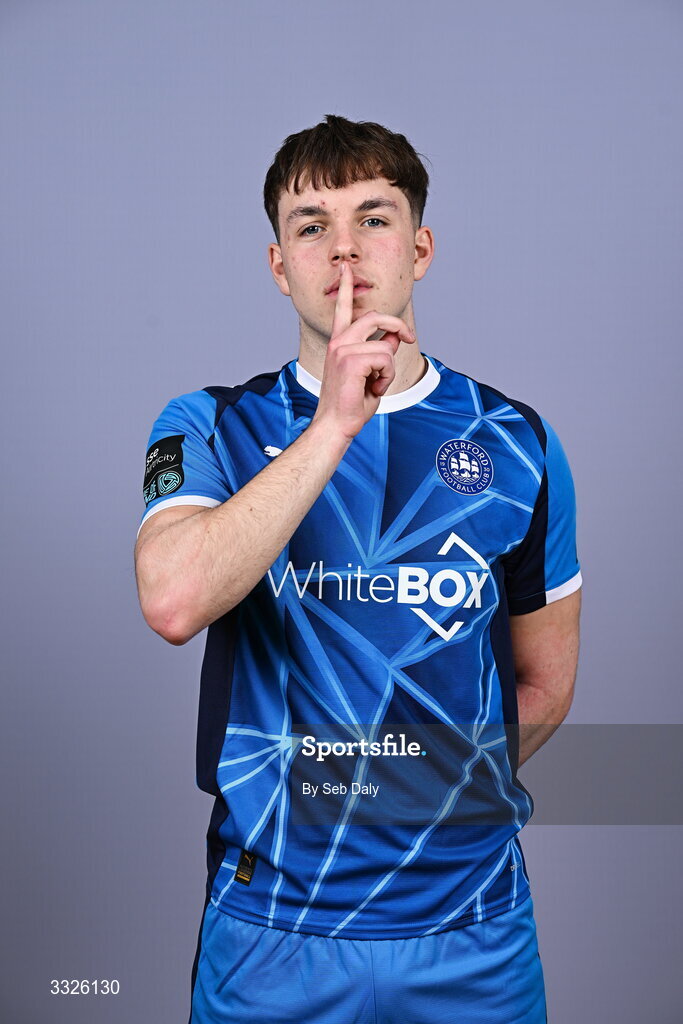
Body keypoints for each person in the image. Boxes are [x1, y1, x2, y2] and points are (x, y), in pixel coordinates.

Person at [134, 114, 582, 1024]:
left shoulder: (519, 442)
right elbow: (175, 599)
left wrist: (403, 795)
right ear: (277, 263)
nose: (343, 251)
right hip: (270, 934)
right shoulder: (207, 424)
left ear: (418, 247)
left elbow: (543, 682)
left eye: (372, 218)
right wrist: (335, 421)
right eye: (310, 226)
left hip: (472, 929)